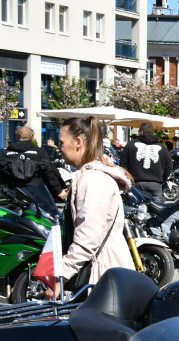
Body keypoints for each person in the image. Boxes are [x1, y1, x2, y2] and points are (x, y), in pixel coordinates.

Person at [53, 116, 134, 290]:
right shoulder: (88, 177)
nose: (59, 149)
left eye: (61, 142)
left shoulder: (93, 180)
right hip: (100, 274)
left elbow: (87, 238)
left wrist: (61, 276)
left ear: (78, 142)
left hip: (102, 277)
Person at [1, 125, 65, 198]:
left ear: (17, 137)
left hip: (12, 194)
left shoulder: (5, 153)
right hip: (36, 194)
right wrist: (58, 190)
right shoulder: (39, 152)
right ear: (32, 137)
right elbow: (49, 172)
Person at [121, 122, 171, 203]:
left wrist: (130, 178)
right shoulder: (162, 148)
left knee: (138, 210)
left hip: (137, 182)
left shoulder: (130, 145)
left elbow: (123, 165)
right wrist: (162, 179)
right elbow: (169, 166)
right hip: (156, 183)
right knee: (158, 211)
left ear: (141, 132)